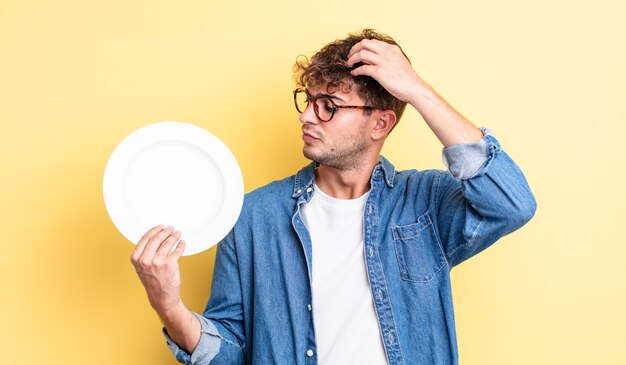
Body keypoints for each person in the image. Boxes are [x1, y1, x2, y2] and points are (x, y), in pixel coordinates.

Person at [131, 29, 537, 365]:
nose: (307, 116)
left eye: (329, 106)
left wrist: (417, 90)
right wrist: (169, 307)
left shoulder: (425, 204)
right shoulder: (253, 217)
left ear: (380, 122)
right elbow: (232, 350)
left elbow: (511, 202)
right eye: (308, 101)